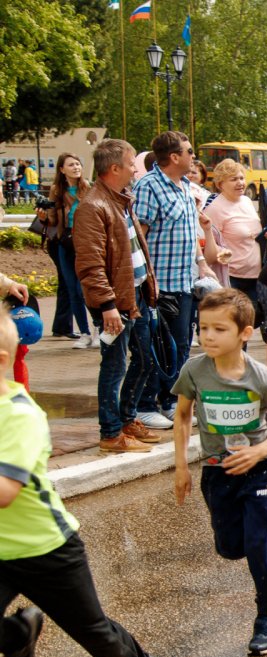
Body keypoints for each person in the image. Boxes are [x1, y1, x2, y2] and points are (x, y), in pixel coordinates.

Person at [0, 311, 169, 657]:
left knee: (95, 634)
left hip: (47, 550)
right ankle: (18, 637)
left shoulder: (19, 415)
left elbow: (5, 493)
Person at [172, 289, 267, 655]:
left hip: (259, 469)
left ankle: (266, 618)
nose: (207, 336)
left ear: (244, 333)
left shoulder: (259, 376)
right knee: (230, 548)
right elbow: (182, 415)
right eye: (203, 328)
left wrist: (259, 451)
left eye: (218, 329)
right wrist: (181, 467)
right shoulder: (195, 370)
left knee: (261, 547)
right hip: (217, 470)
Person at [74, 139, 163, 453]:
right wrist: (108, 305)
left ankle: (127, 420)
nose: (134, 169)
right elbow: (90, 264)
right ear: (114, 168)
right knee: (114, 366)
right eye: (130, 164)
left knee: (145, 360)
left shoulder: (121, 199)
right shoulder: (93, 206)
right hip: (115, 302)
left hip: (133, 296)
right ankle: (111, 433)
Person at [133, 131, 204, 424]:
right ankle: (146, 405)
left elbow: (191, 234)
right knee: (155, 346)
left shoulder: (187, 186)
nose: (193, 157)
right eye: (189, 151)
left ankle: (171, 400)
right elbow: (140, 237)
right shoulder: (149, 186)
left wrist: (202, 264)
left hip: (184, 281)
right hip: (159, 284)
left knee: (180, 345)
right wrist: (145, 281)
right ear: (174, 157)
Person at [46, 153, 95, 347]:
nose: (76, 167)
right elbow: (52, 219)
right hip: (64, 243)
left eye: (77, 164)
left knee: (83, 289)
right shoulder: (56, 190)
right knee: (72, 290)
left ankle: (98, 327)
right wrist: (44, 215)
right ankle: (84, 333)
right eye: (71, 165)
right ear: (61, 169)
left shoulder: (88, 187)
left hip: (85, 242)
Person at [203, 159, 263, 315]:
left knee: (251, 320)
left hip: (255, 273)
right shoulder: (214, 209)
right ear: (220, 184)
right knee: (235, 322)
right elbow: (209, 244)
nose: (240, 183)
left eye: (241, 178)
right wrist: (224, 253)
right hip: (232, 277)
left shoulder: (247, 201)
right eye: (234, 179)